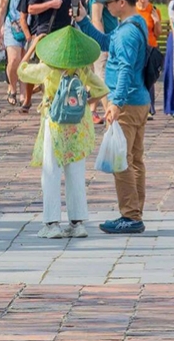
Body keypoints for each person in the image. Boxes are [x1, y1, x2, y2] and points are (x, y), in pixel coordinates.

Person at [76, 0, 151, 234]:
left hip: (126, 102)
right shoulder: (133, 23)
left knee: (122, 160)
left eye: (109, 2)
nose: (106, 7)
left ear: (121, 3)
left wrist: (116, 103)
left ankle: (130, 216)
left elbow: (125, 69)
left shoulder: (128, 32)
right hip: (138, 100)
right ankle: (135, 211)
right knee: (135, 160)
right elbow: (106, 42)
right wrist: (84, 20)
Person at [18, 27, 107, 239]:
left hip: (55, 123)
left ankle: (52, 224)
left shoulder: (49, 67)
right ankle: (77, 223)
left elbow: (21, 71)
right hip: (78, 125)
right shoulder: (82, 68)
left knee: (51, 171)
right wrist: (83, 103)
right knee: (76, 173)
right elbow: (102, 90)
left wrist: (32, 48)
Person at [17, 0, 53, 113]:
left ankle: (47, 98)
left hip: (51, 35)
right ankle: (28, 99)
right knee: (31, 67)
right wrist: (28, 36)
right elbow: (23, 17)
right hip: (35, 35)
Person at [0, 0, 33, 108]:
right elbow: (2, 11)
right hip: (12, 27)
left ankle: (23, 92)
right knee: (13, 59)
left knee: (24, 61)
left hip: (28, 27)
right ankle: (12, 87)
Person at [88, 0, 123, 78]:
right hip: (102, 44)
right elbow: (96, 20)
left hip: (111, 41)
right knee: (103, 79)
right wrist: (104, 46)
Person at [133, 0, 160, 118]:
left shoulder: (154, 10)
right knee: (138, 77)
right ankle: (139, 106)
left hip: (151, 48)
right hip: (137, 48)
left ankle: (150, 108)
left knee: (149, 78)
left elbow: (158, 33)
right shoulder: (132, 10)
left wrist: (157, 21)